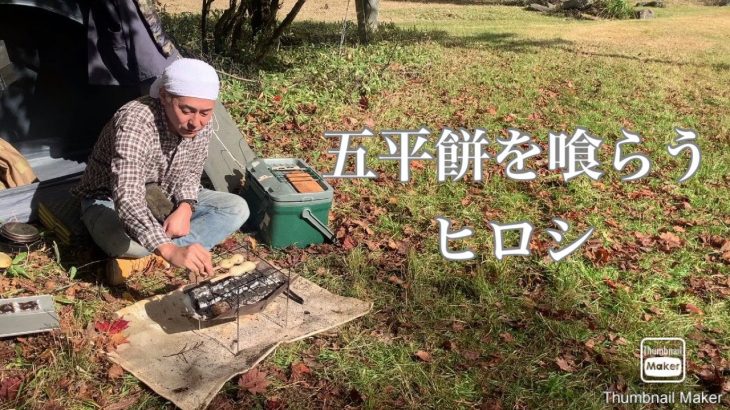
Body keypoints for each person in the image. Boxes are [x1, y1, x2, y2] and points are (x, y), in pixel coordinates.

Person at [73, 58, 249, 285]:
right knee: (127, 245)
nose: (196, 122)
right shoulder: (136, 120)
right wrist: (168, 249)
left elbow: (192, 170)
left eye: (205, 113)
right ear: (165, 97)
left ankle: (157, 254)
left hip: (164, 197)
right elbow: (127, 195)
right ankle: (168, 253)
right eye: (187, 110)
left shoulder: (201, 123)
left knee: (237, 208)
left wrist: (186, 206)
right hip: (108, 199)